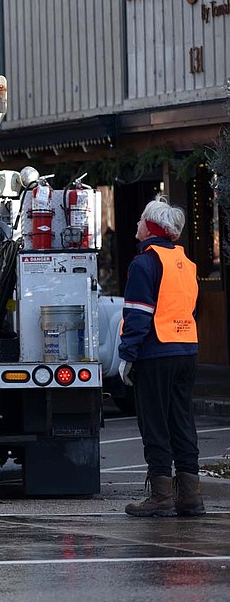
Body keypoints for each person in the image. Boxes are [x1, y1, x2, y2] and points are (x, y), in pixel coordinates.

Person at [119, 195, 204, 518]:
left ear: (151, 227)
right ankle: (190, 496)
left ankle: (161, 496)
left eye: (141, 220)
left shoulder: (144, 263)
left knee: (154, 422)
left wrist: (127, 355)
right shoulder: (185, 263)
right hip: (186, 348)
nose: (137, 224)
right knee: (182, 421)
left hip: (155, 352)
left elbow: (138, 314)